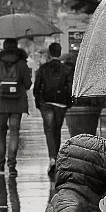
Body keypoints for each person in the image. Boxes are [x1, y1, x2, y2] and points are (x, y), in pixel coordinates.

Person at [0, 38, 32, 176]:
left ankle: (0, 165)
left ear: (4, 47)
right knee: (14, 133)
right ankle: (12, 166)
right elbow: (28, 84)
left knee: (1, 133)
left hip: (1, 103)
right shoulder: (22, 63)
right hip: (17, 103)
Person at [33, 42, 74, 176]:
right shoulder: (66, 69)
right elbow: (69, 88)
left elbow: (36, 88)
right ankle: (55, 157)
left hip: (47, 103)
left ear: (49, 53)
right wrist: (68, 103)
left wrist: (39, 102)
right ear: (59, 52)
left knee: (49, 131)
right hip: (60, 104)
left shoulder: (43, 68)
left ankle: (52, 157)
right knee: (57, 130)